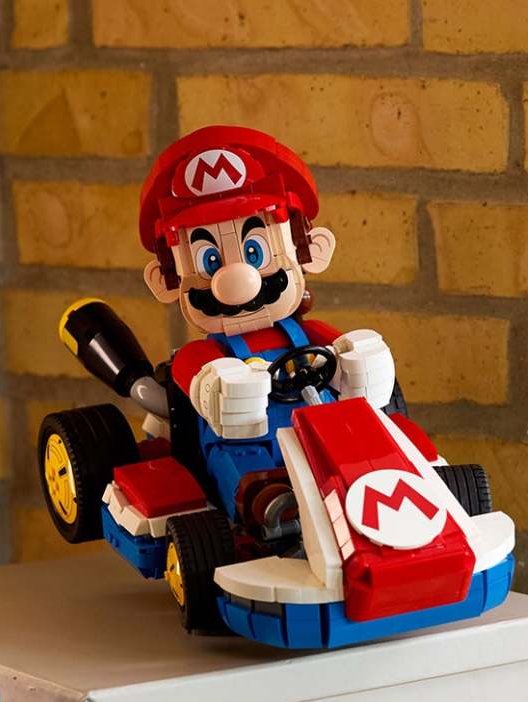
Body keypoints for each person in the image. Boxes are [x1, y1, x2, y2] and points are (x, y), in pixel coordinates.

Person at [138, 125, 397, 510]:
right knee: (245, 472)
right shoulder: (203, 355)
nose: (236, 280)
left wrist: (359, 359)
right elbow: (196, 374)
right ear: (166, 280)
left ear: (310, 250)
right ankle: (269, 511)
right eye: (210, 261)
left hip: (330, 429)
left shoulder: (307, 334)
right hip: (248, 441)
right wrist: (222, 385)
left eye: (254, 252)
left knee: (378, 444)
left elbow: (345, 351)